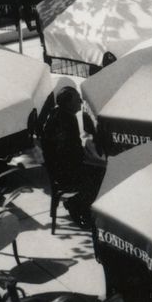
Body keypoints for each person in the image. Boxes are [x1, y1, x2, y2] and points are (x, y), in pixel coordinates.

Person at [39, 85, 104, 229]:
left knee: (96, 169)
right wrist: (87, 154)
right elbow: (68, 152)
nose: (80, 102)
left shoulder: (57, 114)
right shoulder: (67, 120)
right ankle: (78, 206)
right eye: (77, 100)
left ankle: (76, 203)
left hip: (57, 169)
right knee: (101, 174)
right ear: (68, 103)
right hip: (64, 173)